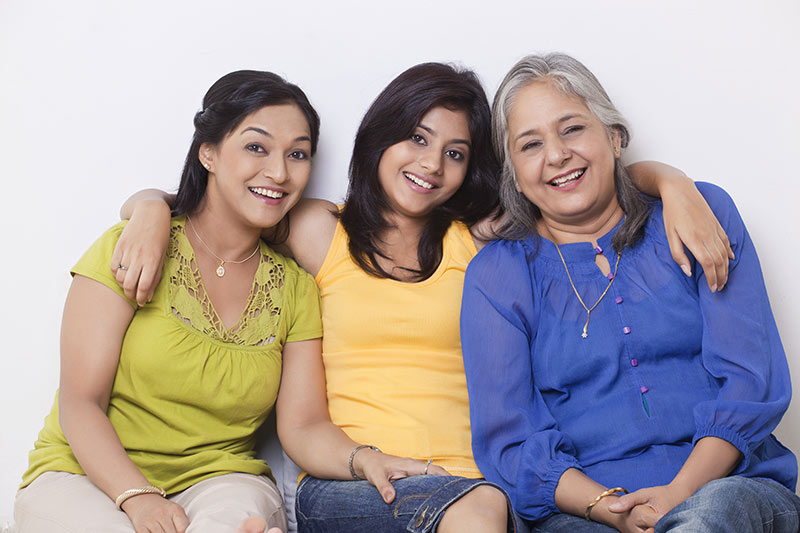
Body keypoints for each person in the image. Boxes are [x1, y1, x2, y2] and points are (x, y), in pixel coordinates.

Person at [116, 62, 732, 533]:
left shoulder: (481, 241)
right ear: (381, 136)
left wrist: (669, 182)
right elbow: (223, 204)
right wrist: (147, 207)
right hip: (352, 482)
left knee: (482, 503)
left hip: (476, 486)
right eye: (416, 138)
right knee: (477, 509)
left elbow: (574, 191)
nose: (432, 164)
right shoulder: (317, 230)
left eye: (455, 153)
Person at [460, 52, 800, 533]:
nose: (556, 155)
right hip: (586, 512)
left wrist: (678, 497)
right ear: (514, 172)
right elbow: (510, 442)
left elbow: (751, 380)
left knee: (709, 517)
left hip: (731, 488)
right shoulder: (497, 276)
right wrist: (607, 507)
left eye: (572, 128)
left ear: (614, 137)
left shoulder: (699, 215)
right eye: (530, 144)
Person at [14, 70, 325, 533]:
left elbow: (305, 425)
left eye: (297, 154)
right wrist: (139, 499)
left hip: (220, 480)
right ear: (209, 153)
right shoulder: (131, 247)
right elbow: (81, 402)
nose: (279, 173)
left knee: (237, 519)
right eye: (256, 147)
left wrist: (371, 462)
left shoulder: (296, 289)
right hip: (84, 475)